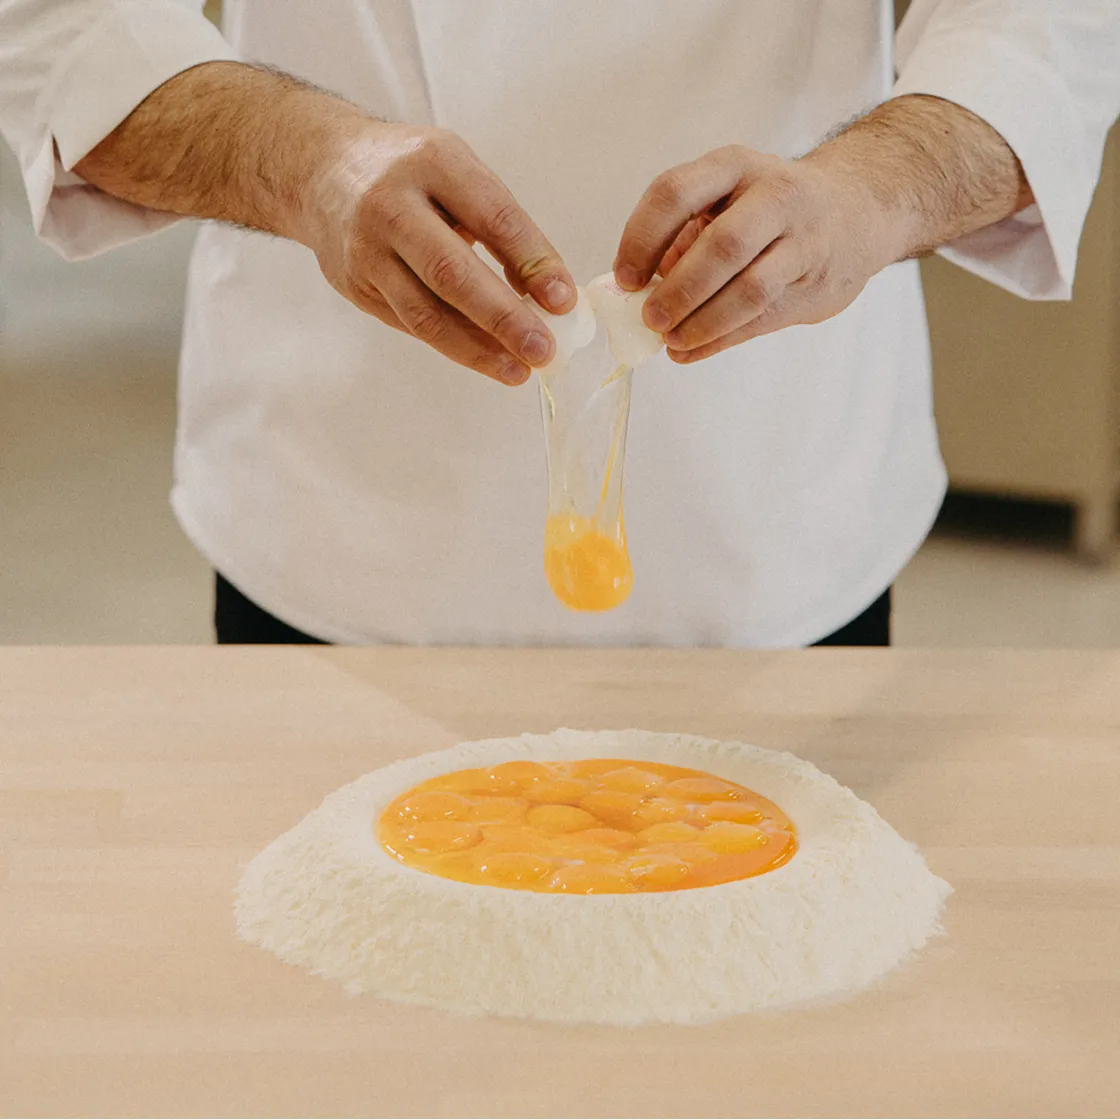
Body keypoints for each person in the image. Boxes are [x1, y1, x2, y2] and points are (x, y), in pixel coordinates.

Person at [1, 2, 1117, 648]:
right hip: (347, 510)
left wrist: (879, 187)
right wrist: (301, 161)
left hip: (770, 506)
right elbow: (57, 19)